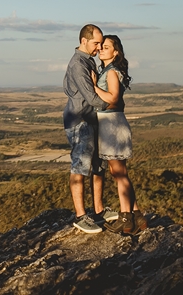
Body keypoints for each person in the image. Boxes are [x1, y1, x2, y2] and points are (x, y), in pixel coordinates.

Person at [91, 34, 147, 234]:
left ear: (116, 52)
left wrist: (94, 87)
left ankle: (126, 218)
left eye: (106, 47)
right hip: (112, 124)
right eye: (101, 46)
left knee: (119, 173)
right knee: (117, 172)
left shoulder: (112, 72)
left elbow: (113, 99)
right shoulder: (107, 70)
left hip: (112, 123)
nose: (101, 49)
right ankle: (137, 215)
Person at [63, 24, 110, 234]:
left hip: (91, 118)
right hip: (80, 121)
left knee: (98, 165)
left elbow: (66, 87)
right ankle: (80, 216)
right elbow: (91, 97)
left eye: (101, 43)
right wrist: (114, 105)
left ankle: (99, 210)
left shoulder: (88, 60)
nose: (99, 47)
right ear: (84, 40)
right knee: (80, 166)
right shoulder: (78, 64)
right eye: (96, 43)